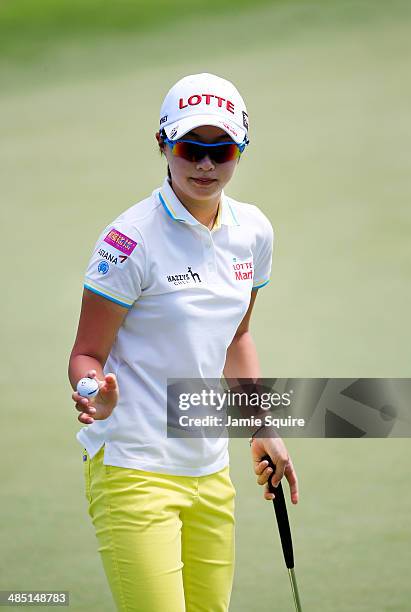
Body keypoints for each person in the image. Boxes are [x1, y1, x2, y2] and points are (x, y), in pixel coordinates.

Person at [68, 72, 299, 612]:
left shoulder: (254, 231)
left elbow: (236, 336)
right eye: (190, 148)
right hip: (134, 471)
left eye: (221, 151)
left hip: (209, 472)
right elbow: (87, 353)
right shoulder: (130, 240)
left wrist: (261, 428)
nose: (204, 165)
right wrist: (90, 391)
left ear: (240, 152)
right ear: (163, 145)